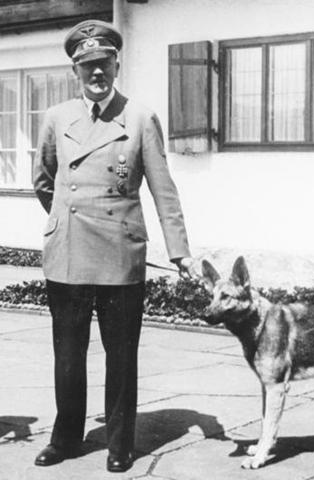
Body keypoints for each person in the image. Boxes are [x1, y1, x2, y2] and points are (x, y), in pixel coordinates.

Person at [33, 19, 193, 473]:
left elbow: (164, 190)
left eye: (103, 64)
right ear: (74, 72)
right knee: (68, 356)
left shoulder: (140, 117)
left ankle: (120, 443)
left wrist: (179, 250)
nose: (96, 73)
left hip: (120, 256)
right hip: (67, 253)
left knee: (121, 356)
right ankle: (65, 439)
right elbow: (44, 182)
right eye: (87, 67)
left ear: (116, 64)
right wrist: (65, 218)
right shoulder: (56, 118)